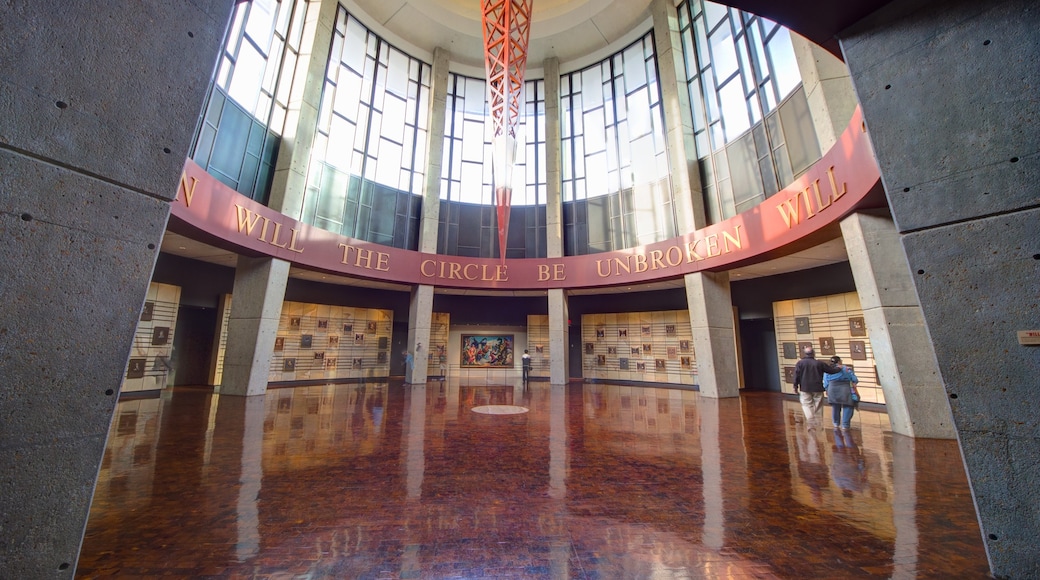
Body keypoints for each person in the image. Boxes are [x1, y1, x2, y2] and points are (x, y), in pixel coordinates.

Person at [793, 346, 842, 426]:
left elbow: (796, 376)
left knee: (806, 405)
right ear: (813, 353)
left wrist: (795, 387)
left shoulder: (800, 363)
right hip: (818, 388)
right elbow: (831, 371)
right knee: (818, 406)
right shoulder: (819, 363)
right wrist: (839, 368)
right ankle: (817, 425)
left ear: (805, 354)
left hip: (805, 388)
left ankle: (811, 420)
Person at [824, 356, 860, 430]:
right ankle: (845, 425)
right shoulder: (846, 369)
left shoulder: (827, 370)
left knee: (835, 406)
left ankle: (836, 424)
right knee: (848, 405)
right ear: (839, 361)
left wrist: (827, 390)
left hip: (832, 388)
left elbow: (825, 382)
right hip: (845, 389)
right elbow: (854, 379)